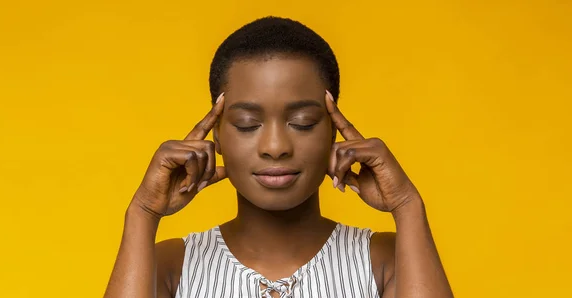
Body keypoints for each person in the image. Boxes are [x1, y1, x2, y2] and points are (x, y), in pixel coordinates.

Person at [104, 16, 453, 298]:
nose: (275, 145)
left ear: (334, 131)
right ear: (216, 136)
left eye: (302, 123)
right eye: (247, 124)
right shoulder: (170, 266)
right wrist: (143, 213)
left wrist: (407, 206)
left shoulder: (386, 260)